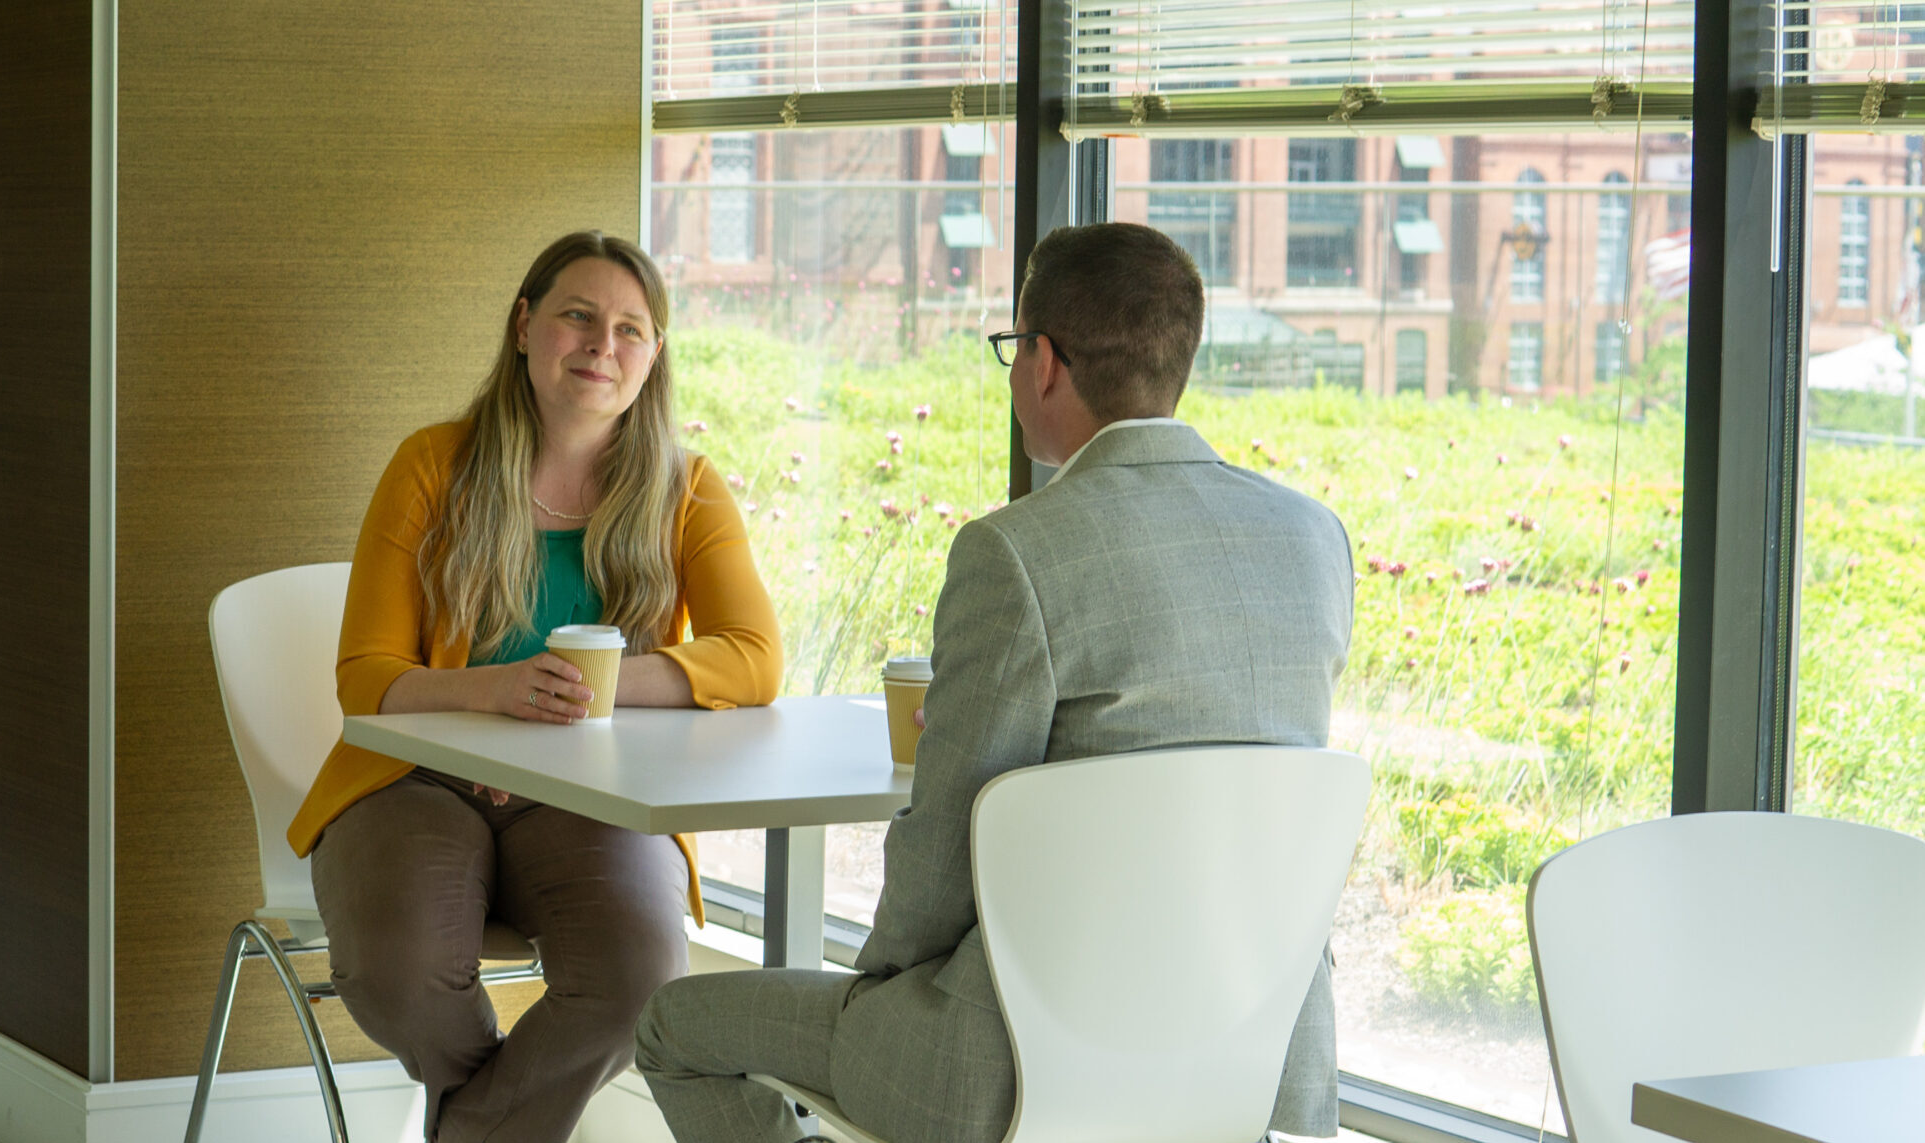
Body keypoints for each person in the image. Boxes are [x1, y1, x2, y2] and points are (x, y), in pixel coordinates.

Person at [632, 221, 1354, 1143]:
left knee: (672, 1026)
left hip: (1007, 1064)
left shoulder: (1014, 552)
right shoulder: (1311, 539)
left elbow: (946, 838)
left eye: (1012, 350)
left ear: (1043, 361)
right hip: (1250, 1053)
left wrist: (881, 988)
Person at [285, 230, 784, 1143]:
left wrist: (601, 687)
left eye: (632, 329)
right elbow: (366, 681)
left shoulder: (686, 487)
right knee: (398, 971)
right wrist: (495, 688)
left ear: (654, 357)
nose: (603, 345)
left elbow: (753, 656)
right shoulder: (432, 465)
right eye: (578, 317)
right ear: (523, 326)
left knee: (642, 976)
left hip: (592, 794)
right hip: (413, 784)